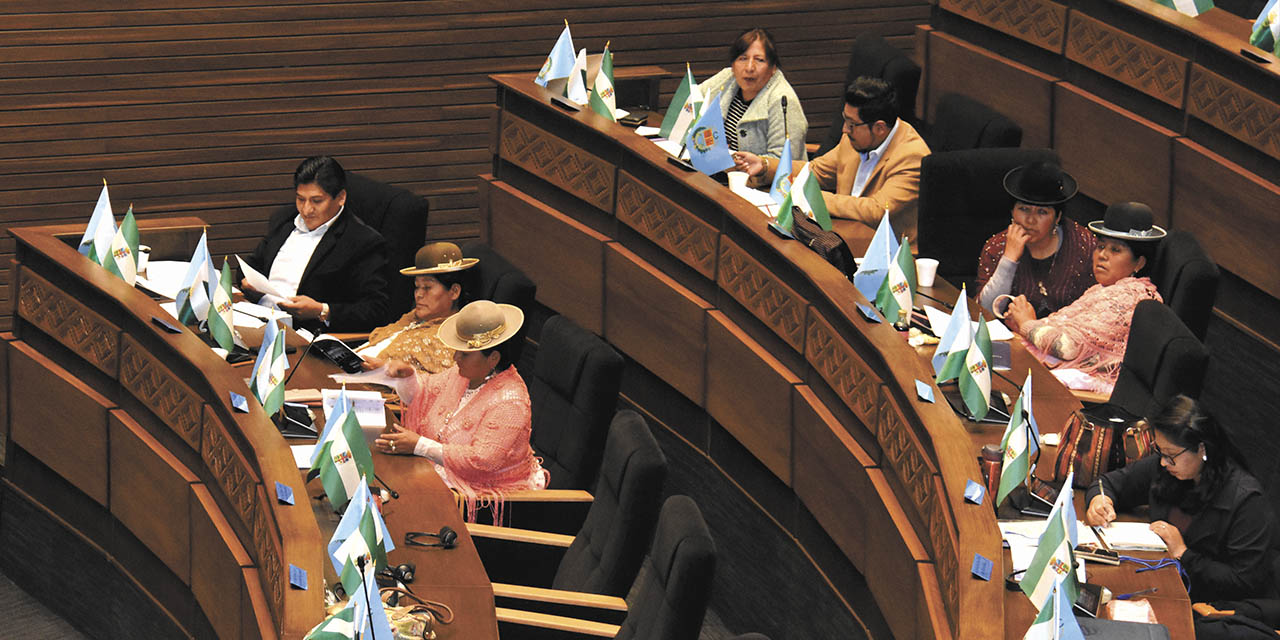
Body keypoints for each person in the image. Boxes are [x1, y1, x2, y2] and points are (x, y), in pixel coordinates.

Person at [1084, 395, 1274, 604]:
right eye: (1160, 452)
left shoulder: (1246, 501)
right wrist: (1100, 501)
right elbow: (1108, 483)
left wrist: (1183, 553)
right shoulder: (1167, 468)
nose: (1164, 462)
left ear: (1202, 449)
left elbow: (1244, 581)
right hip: (1155, 574)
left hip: (1201, 603)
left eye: (1171, 455)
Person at [375, 300, 546, 519]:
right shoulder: (467, 374)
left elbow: (481, 461)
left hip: (481, 495)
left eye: (464, 354)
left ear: (493, 358)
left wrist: (419, 445)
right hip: (441, 474)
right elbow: (428, 389)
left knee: (397, 508)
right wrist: (406, 377)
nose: (455, 359)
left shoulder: (511, 402)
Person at [737, 76, 930, 242]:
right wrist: (765, 166)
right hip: (842, 233)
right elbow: (817, 171)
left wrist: (813, 198)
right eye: (845, 120)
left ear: (879, 128)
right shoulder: (855, 138)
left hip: (885, 254)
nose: (845, 130)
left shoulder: (912, 156)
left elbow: (877, 210)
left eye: (852, 124)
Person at [1002, 202, 1165, 394]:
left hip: (1078, 397)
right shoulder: (1103, 289)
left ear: (1139, 263)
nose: (1102, 255)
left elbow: (1067, 347)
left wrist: (1027, 323)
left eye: (1115, 250)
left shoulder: (1129, 299)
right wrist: (1024, 323)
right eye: (1101, 246)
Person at [242, 156, 390, 332]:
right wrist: (248, 284)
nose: (306, 210)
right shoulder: (284, 220)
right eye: (300, 199)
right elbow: (252, 264)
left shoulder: (363, 242)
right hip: (257, 318)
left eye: (316, 201)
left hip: (302, 334)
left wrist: (322, 310)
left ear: (341, 197)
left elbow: (376, 310)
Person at [977, 161, 1096, 317]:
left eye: (1042, 212)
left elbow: (1095, 310)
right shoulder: (996, 246)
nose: (1030, 220)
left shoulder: (1086, 247)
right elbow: (984, 312)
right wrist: (1008, 261)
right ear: (1012, 211)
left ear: (1058, 217)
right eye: (1024, 209)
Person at [356, 242, 478, 374]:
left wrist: (388, 370)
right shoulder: (411, 318)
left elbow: (443, 384)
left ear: (454, 291)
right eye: (417, 287)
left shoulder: (450, 337)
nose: (418, 295)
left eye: (427, 287)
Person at [694, 28, 806, 169]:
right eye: (743, 58)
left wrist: (741, 164)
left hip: (761, 186)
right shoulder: (727, 78)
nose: (749, 67)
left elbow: (784, 163)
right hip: (718, 171)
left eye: (759, 60)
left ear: (773, 68)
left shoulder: (783, 101)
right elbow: (693, 104)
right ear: (733, 65)